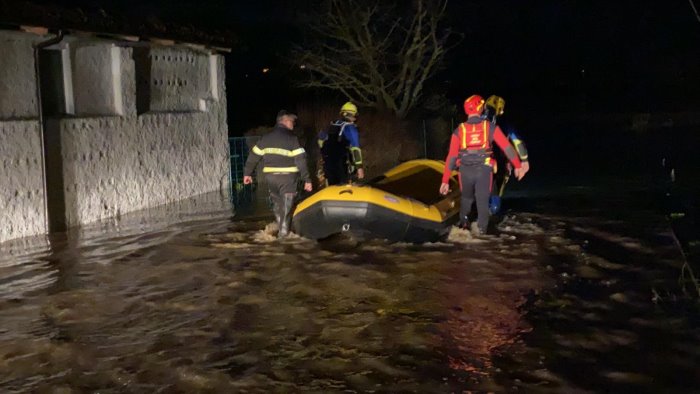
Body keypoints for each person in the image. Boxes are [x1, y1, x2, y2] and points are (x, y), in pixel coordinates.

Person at [439, 94, 525, 235]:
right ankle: (481, 234)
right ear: (480, 108)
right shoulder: (490, 127)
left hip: (465, 171)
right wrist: (518, 165)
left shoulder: (459, 130)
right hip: (484, 171)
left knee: (466, 200)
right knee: (482, 202)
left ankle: (464, 228)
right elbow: (507, 147)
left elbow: (452, 156)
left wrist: (445, 180)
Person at [243, 110, 313, 238]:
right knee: (287, 209)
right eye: (292, 121)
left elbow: (253, 156)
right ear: (285, 121)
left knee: (277, 205)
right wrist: (307, 179)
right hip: (287, 179)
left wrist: (247, 173)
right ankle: (284, 238)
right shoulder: (292, 139)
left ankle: (279, 231)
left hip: (271, 178)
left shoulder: (265, 138)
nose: (293, 123)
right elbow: (301, 160)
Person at [482, 95, 530, 214]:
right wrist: (524, 161)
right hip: (498, 164)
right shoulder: (505, 125)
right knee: (495, 198)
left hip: (486, 164)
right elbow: (518, 142)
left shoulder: (476, 121)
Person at [317, 102, 365, 186]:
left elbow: (321, 139)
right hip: (342, 165)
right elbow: (355, 149)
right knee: (344, 189)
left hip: (328, 162)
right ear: (353, 115)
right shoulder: (350, 128)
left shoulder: (332, 124)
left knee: (331, 188)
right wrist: (359, 167)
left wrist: (324, 155)